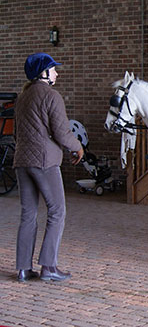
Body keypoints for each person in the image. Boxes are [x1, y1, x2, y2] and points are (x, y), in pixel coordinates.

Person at [13, 53, 84, 282]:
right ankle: (49, 267)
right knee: (57, 210)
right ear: (43, 73)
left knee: (28, 213)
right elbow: (62, 133)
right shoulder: (52, 96)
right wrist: (78, 147)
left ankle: (23, 269)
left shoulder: (22, 98)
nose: (57, 73)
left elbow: (16, 133)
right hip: (44, 161)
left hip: (22, 160)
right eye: (53, 69)